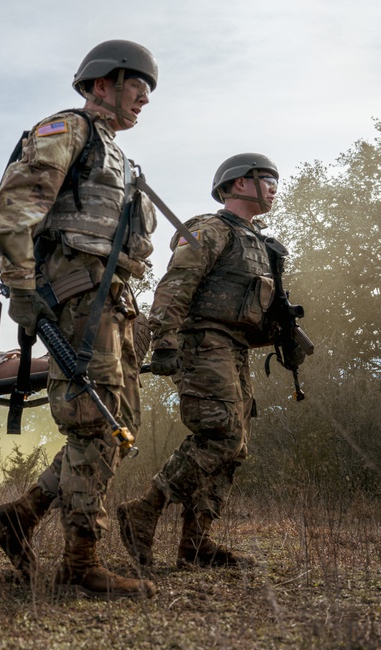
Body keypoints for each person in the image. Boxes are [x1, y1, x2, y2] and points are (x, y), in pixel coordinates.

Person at [0, 40, 161, 600]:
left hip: (114, 302)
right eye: (138, 87)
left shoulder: (122, 158)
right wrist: (21, 289)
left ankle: (24, 513)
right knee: (97, 425)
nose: (144, 101)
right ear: (103, 83)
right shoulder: (68, 129)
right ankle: (80, 564)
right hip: (79, 299)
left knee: (116, 429)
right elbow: (14, 210)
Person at [117, 153, 293, 569]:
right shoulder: (210, 230)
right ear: (237, 185)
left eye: (275, 180)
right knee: (220, 434)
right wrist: (164, 342)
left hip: (232, 347)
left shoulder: (261, 243)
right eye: (265, 178)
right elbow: (176, 284)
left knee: (235, 447)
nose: (273, 186)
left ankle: (195, 544)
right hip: (202, 342)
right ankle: (145, 508)